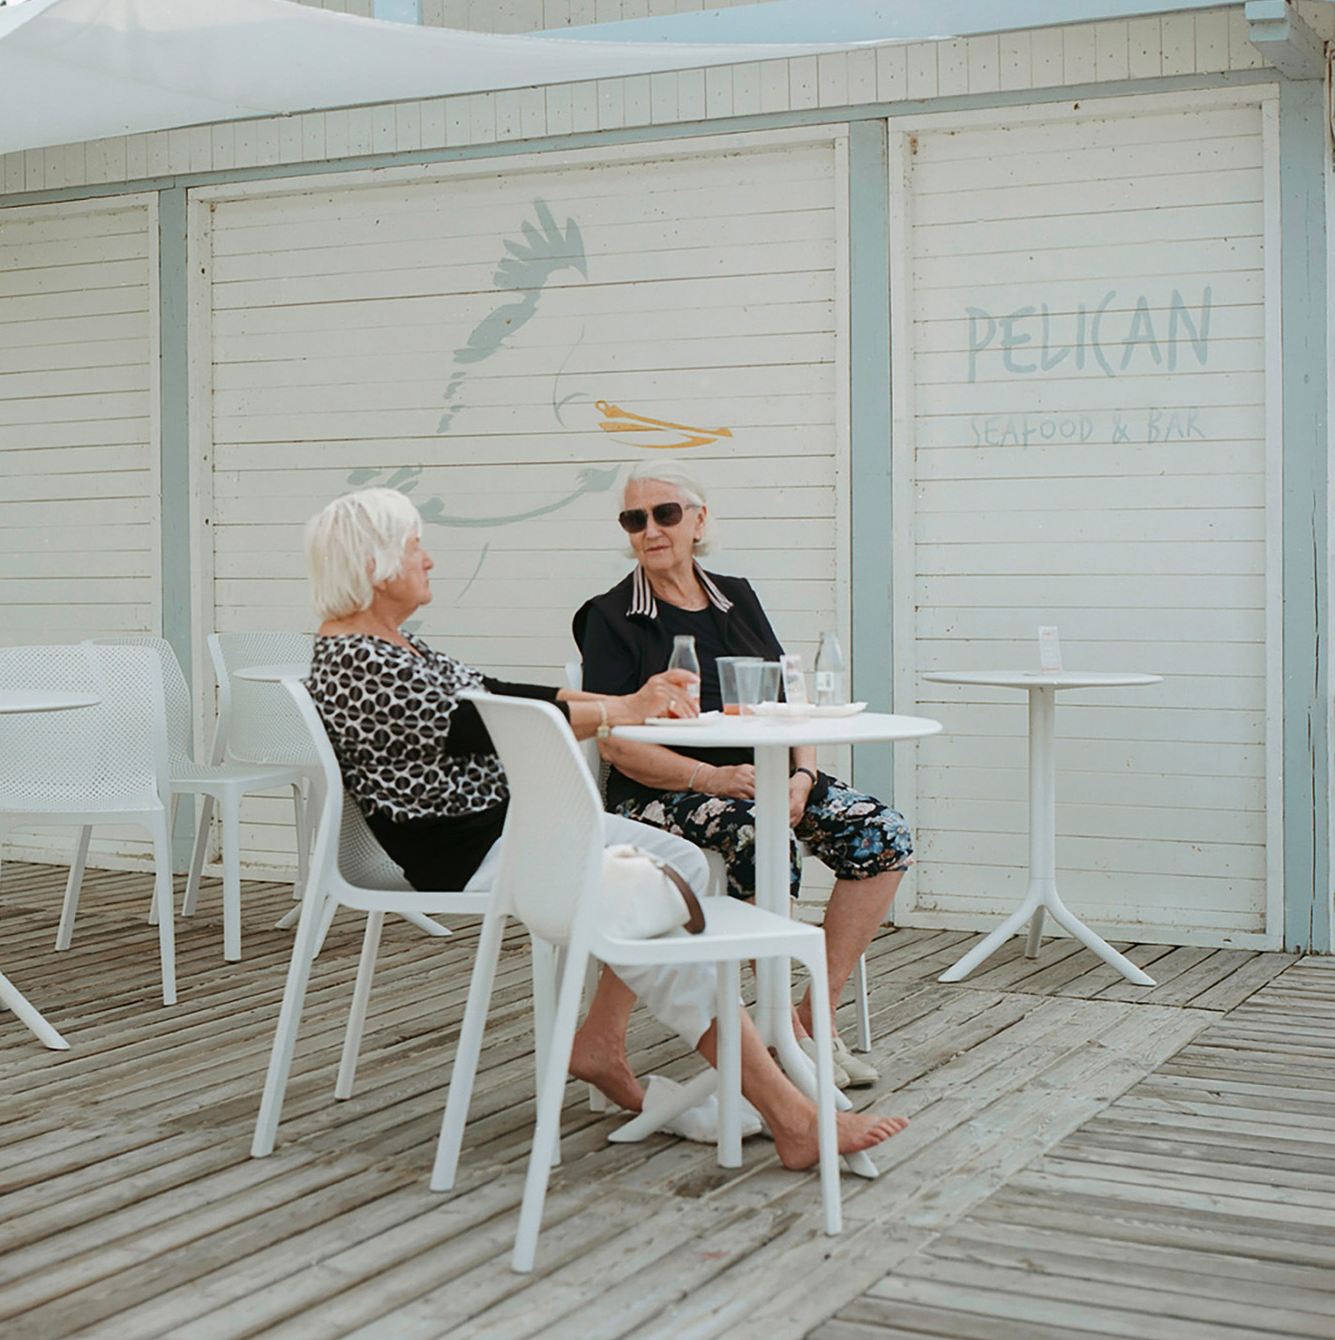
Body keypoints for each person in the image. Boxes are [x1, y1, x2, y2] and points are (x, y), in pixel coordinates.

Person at [303, 487, 906, 1163]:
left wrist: (626, 701)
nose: (429, 559)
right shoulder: (357, 663)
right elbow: (494, 723)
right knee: (647, 895)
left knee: (684, 864)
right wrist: (625, 708)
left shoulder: (393, 645)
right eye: (416, 547)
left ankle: (604, 1042)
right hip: (475, 853)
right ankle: (791, 1114)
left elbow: (500, 693)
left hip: (526, 828)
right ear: (377, 564)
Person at [574, 462, 914, 1089]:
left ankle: (813, 1017)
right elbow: (615, 742)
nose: (650, 530)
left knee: (882, 832)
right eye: (634, 519)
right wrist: (711, 779)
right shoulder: (612, 616)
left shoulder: (736, 596)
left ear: (698, 520)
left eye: (665, 514)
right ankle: (784, 1033)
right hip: (664, 789)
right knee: (761, 833)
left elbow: (791, 697)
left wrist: (803, 776)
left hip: (765, 778)